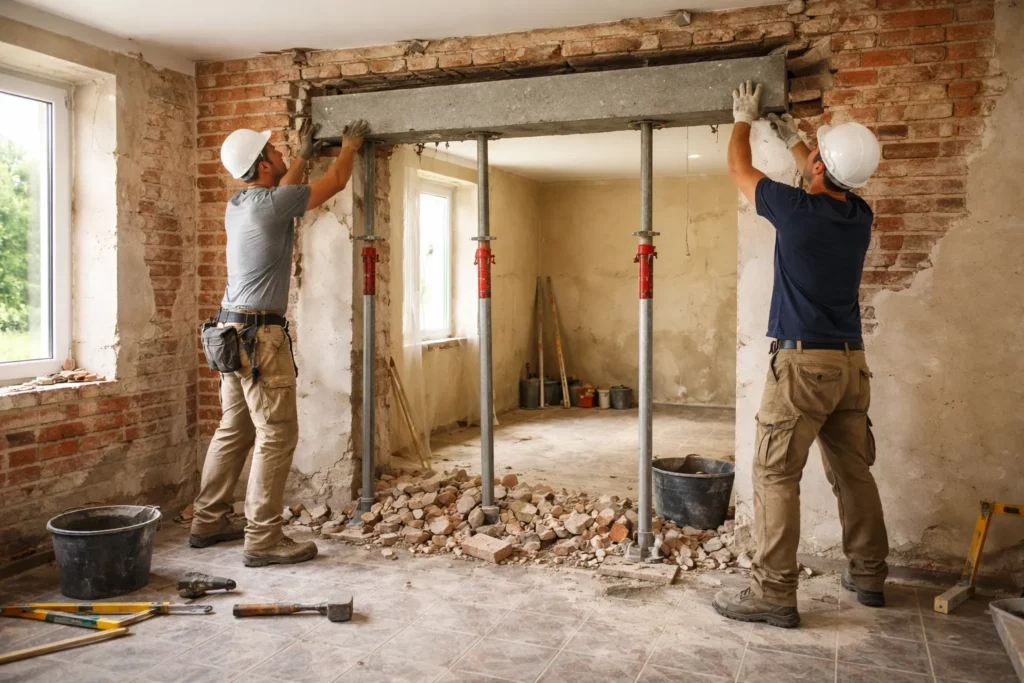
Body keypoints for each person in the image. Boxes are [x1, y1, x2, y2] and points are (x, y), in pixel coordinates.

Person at [713, 81, 888, 628]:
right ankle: (868, 577)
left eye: (814, 156)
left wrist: (742, 119)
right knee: (854, 473)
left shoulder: (795, 210)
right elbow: (827, 176)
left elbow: (740, 169)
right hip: (849, 367)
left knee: (774, 475)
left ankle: (773, 594)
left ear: (817, 170)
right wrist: (796, 139)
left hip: (802, 369)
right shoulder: (859, 216)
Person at [190, 118, 370, 566]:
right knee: (277, 434)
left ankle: (207, 521)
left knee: (235, 429)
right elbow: (336, 180)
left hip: (230, 333)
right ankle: (263, 539)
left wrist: (303, 155)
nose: (280, 152)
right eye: (274, 151)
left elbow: (285, 193)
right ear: (264, 165)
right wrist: (349, 146)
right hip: (259, 338)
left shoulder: (241, 202)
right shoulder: (271, 204)